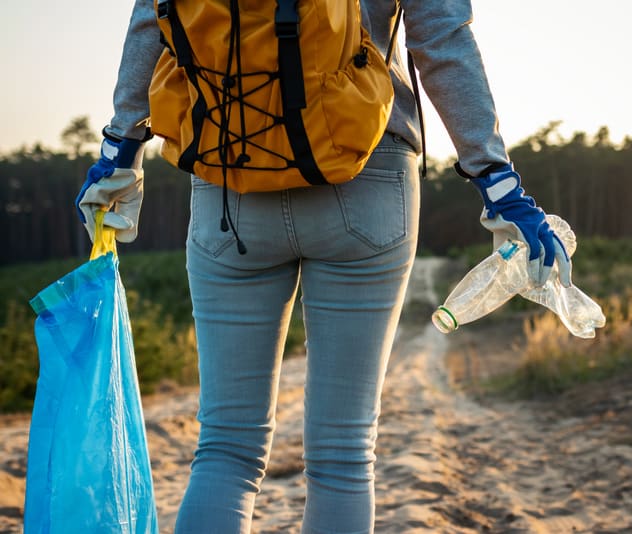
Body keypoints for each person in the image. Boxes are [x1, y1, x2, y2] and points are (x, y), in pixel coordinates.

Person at [75, 0, 572, 532]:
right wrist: (497, 183)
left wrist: (120, 151)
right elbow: (442, 40)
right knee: (343, 454)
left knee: (225, 447)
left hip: (230, 179)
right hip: (368, 171)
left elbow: (154, 20)